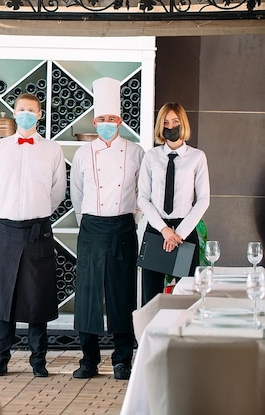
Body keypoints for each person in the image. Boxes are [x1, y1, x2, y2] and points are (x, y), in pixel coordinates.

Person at [0, 93, 67, 377]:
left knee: (38, 296)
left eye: (31, 110)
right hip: (8, 227)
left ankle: (38, 360)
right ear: (14, 112)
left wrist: (37, 210)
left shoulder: (53, 150)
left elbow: (57, 192)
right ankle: (1, 358)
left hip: (38, 229)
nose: (26, 114)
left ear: (40, 114)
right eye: (21, 110)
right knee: (4, 295)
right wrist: (10, 209)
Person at [70, 77, 145, 381]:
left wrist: (132, 218)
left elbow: (142, 193)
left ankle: (122, 359)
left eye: (111, 119)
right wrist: (87, 219)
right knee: (87, 293)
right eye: (101, 119)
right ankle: (88, 359)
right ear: (94, 120)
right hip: (91, 226)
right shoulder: (82, 153)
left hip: (123, 226)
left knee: (122, 294)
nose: (106, 124)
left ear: (121, 121)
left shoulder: (136, 151)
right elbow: (77, 193)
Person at [138, 102, 210, 305]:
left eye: (175, 121)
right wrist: (164, 230)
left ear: (183, 123)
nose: (171, 126)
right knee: (151, 297)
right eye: (166, 122)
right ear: (160, 127)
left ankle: (183, 336)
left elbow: (203, 199)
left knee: (186, 296)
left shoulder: (197, 157)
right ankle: (150, 335)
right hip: (156, 230)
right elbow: (142, 197)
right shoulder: (151, 156)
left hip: (184, 231)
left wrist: (179, 233)